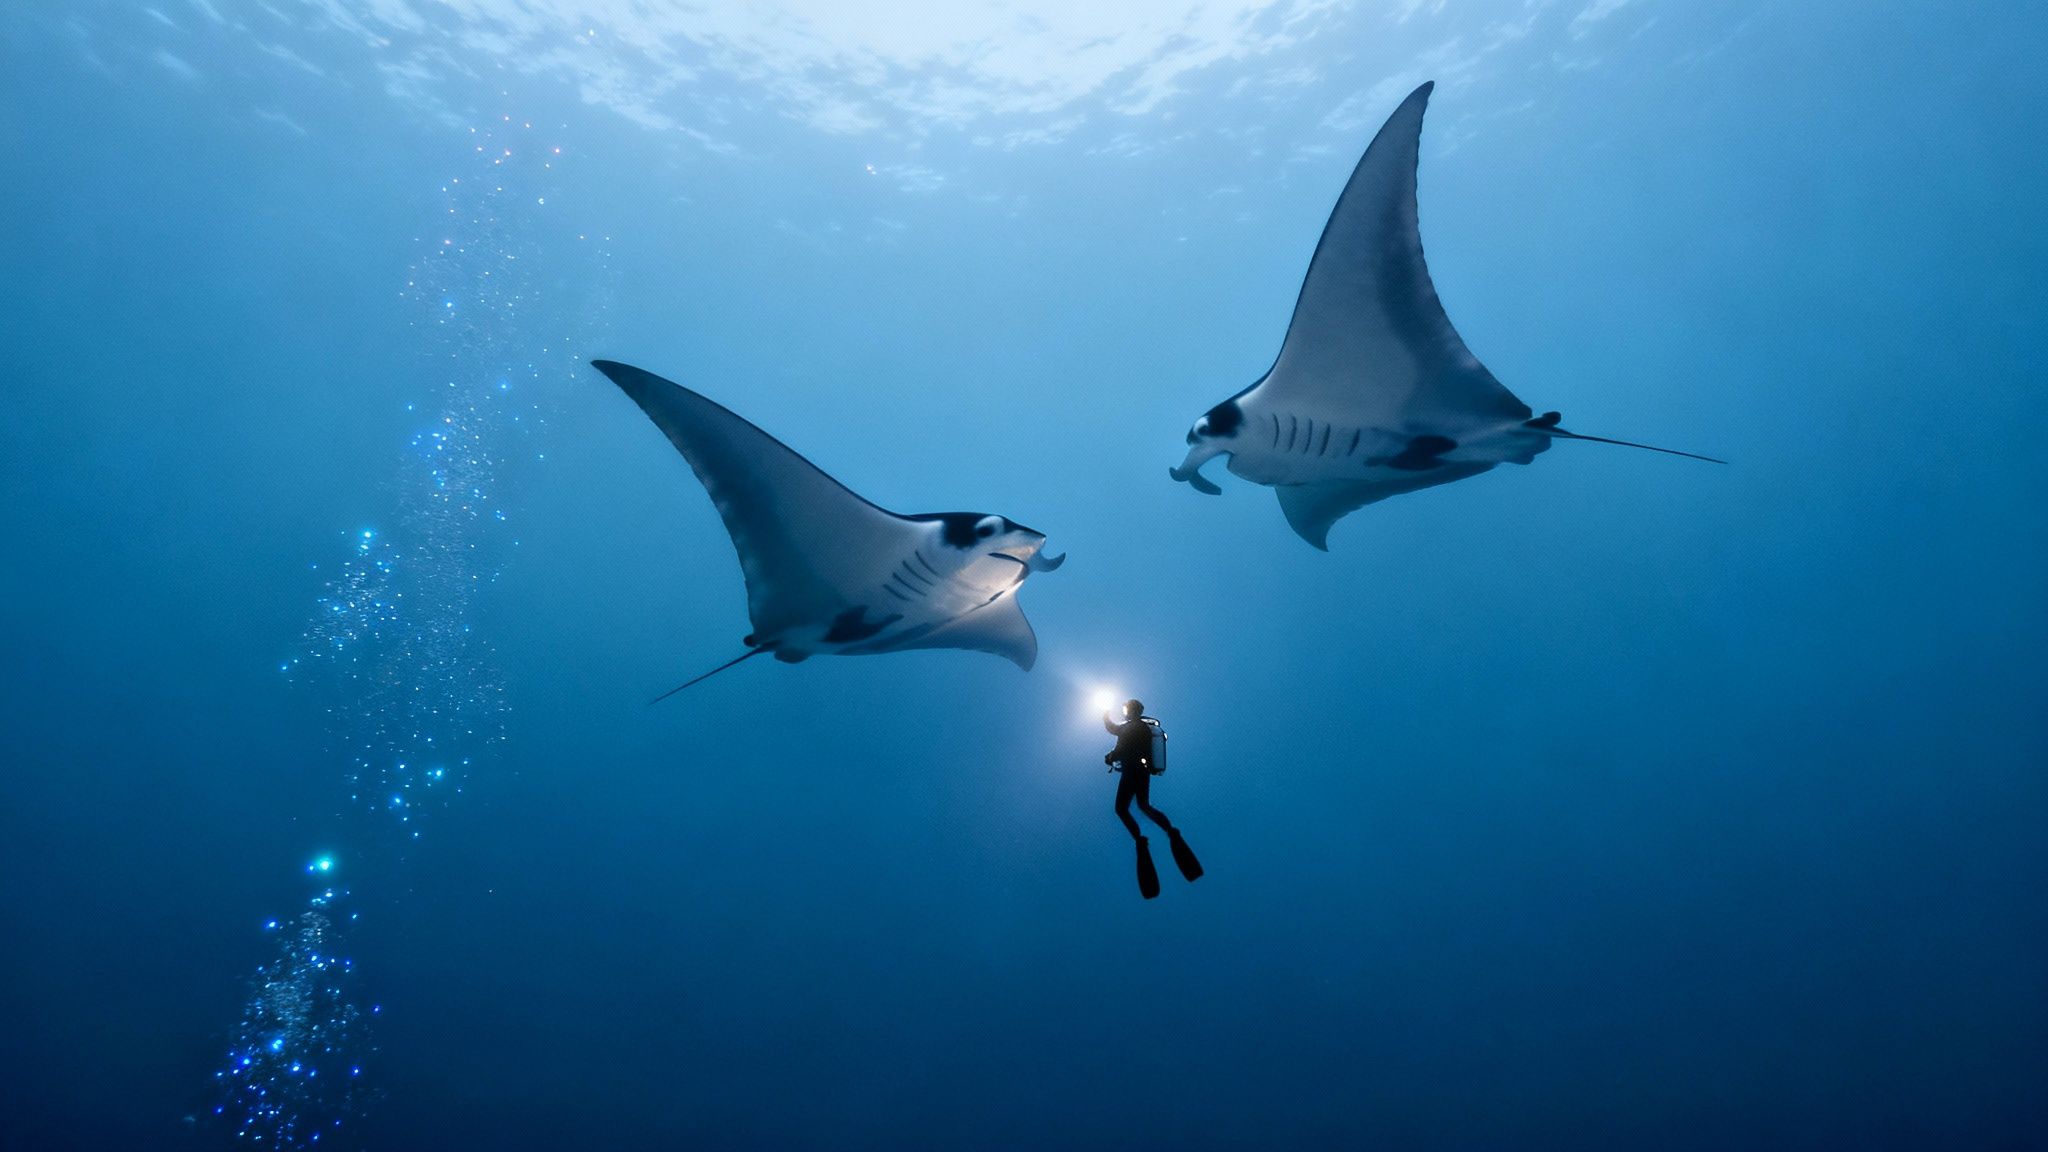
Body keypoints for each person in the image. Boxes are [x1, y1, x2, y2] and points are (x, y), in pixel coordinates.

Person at [1103, 699, 1202, 899]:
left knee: (1121, 809)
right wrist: (1106, 716)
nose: (1124, 713)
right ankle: (1171, 832)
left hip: (1131, 772)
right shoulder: (1144, 729)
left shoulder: (1130, 728)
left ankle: (1140, 842)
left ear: (1130, 711)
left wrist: (1110, 756)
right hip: (1144, 772)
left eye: (1125, 709)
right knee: (1144, 805)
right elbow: (1115, 730)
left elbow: (1119, 741)